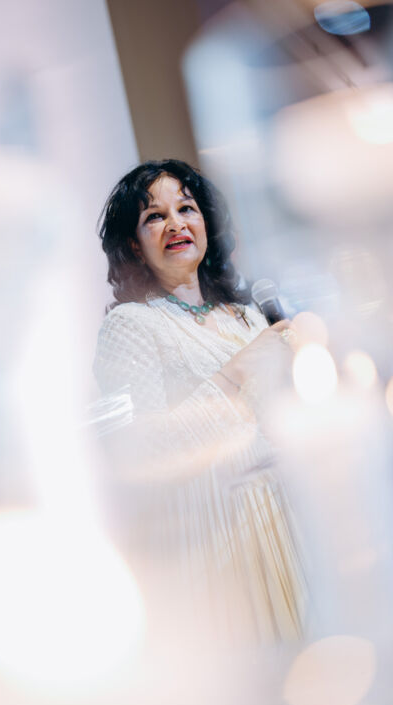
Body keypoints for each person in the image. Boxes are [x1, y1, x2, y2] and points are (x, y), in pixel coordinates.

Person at [93, 159, 306, 646]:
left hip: (289, 516)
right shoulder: (130, 326)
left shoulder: (245, 315)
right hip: (218, 535)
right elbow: (141, 451)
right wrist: (236, 371)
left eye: (186, 209)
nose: (176, 223)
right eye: (154, 216)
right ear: (133, 244)